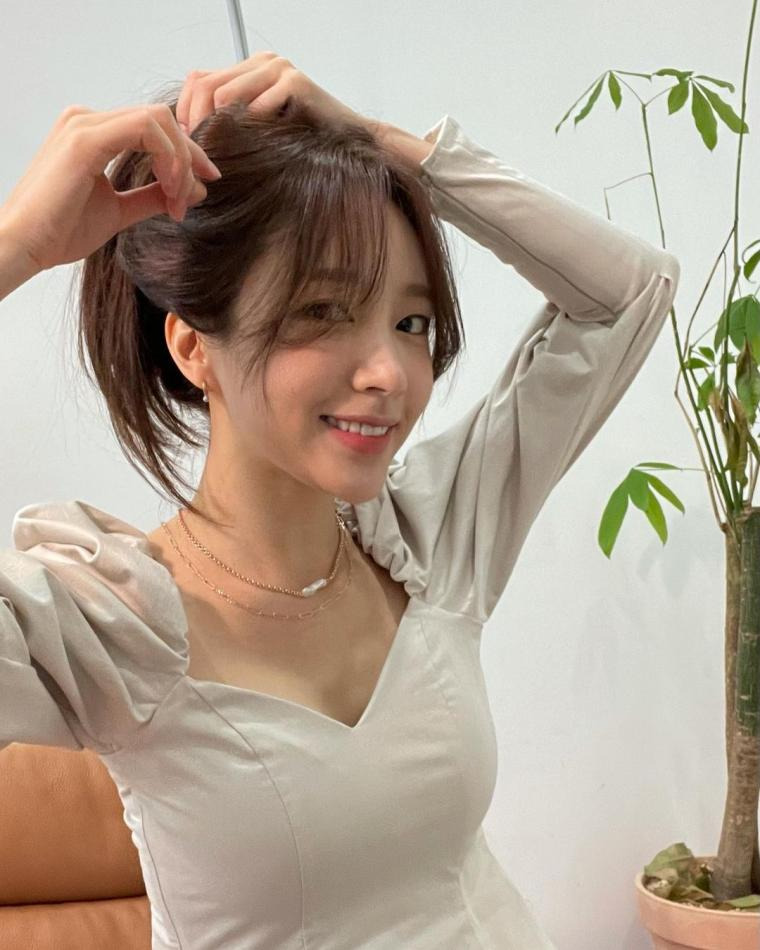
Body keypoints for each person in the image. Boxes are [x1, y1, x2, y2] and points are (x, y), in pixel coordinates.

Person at [0, 51, 679, 950]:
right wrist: (17, 245)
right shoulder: (104, 626)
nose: (390, 373)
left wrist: (386, 148)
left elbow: (630, 295)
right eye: (322, 311)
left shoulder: (431, 542)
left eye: (411, 322)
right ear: (194, 348)